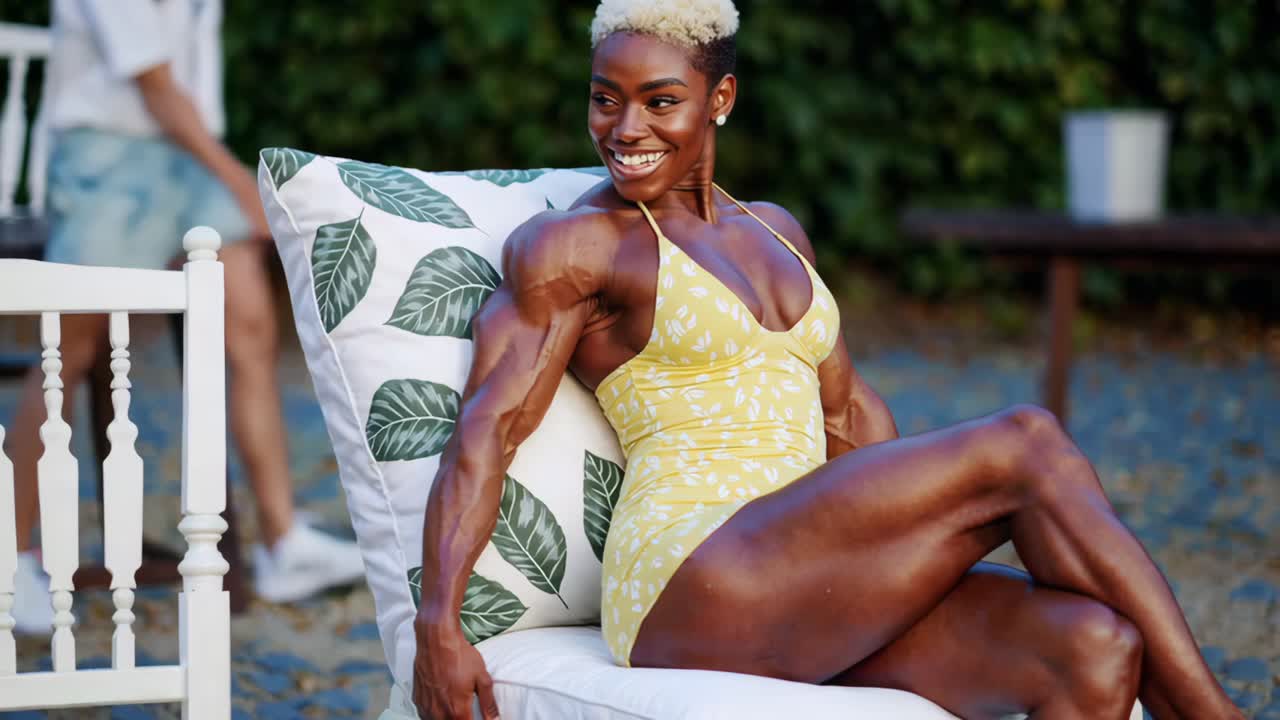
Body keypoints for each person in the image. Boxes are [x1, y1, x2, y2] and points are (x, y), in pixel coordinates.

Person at [411, 1, 1242, 718]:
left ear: (720, 98)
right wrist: (436, 624)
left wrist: (914, 532)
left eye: (659, 101)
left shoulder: (775, 229)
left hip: (812, 566)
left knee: (1092, 649)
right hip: (692, 575)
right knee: (1024, 442)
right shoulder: (576, 246)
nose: (626, 130)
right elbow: (488, 432)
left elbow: (851, 420)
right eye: (605, 101)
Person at [8, 0, 364, 634]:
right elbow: (153, 82)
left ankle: (283, 542)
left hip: (187, 152)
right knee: (69, 353)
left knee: (249, 318)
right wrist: (239, 181)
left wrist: (219, 176)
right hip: (109, 158)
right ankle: (11, 554)